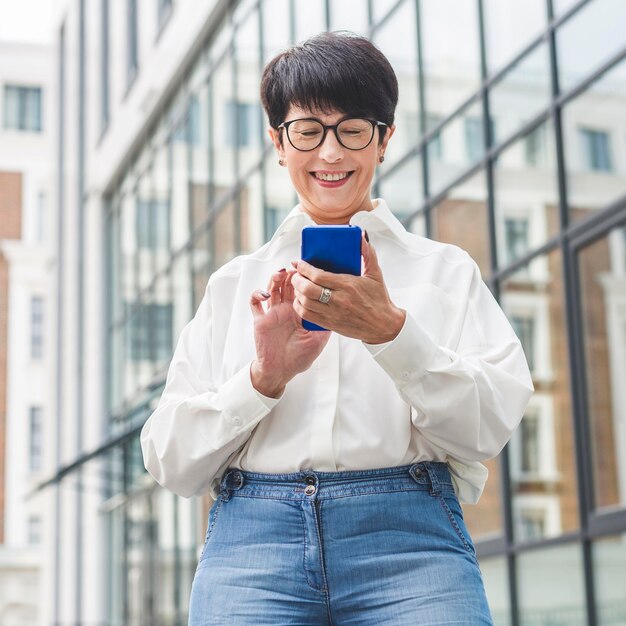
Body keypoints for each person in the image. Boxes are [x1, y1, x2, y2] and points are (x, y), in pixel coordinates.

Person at [141, 31, 533, 625]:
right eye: (307, 131)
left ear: (384, 140)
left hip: (411, 543)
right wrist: (263, 377)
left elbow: (489, 430)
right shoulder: (232, 284)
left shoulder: (444, 272)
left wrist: (391, 334)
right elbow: (171, 462)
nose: (330, 154)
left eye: (353, 130)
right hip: (254, 547)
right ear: (278, 142)